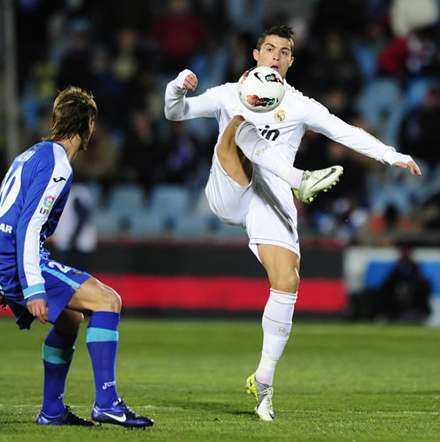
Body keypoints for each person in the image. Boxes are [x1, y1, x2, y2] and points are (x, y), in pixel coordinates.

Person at [164, 24, 422, 422]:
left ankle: (263, 382)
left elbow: (344, 131)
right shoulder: (228, 93)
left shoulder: (299, 104)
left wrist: (392, 155)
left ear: (291, 61)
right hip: (230, 188)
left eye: (284, 52)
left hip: (270, 197)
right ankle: (301, 178)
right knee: (239, 125)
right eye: (269, 49)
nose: (276, 57)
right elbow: (174, 111)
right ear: (256, 55)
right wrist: (179, 84)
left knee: (287, 281)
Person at [0, 86, 153, 428]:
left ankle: (52, 411)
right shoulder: (57, 163)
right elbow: (29, 226)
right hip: (15, 256)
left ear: (57, 120)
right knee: (108, 301)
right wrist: (32, 289)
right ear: (89, 125)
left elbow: (0, 212)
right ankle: (107, 402)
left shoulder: (29, 155)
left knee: (70, 319)